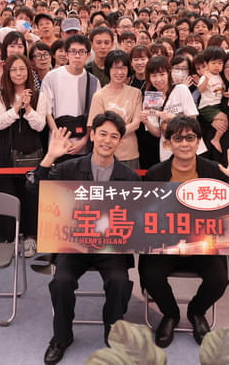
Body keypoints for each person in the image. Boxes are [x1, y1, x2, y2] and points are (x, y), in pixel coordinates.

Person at [32, 112, 139, 365]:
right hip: (73, 244)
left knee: (120, 281)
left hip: (110, 248)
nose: (107, 140)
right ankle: (61, 337)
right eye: (103, 134)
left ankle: (113, 335)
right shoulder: (68, 168)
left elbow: (137, 217)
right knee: (61, 281)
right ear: (92, 136)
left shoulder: (130, 177)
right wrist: (50, 157)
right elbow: (36, 190)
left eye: (114, 136)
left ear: (119, 141)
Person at [140, 115, 229, 348]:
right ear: (168, 143)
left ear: (198, 142)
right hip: (166, 245)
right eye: (178, 138)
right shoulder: (155, 174)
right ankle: (170, 314)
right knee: (150, 277)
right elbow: (145, 214)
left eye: (190, 138)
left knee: (219, 280)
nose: (184, 143)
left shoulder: (215, 171)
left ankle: (197, 312)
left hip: (204, 246)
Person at [0, 54, 45, 255]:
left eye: (22, 69)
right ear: (7, 73)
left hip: (32, 151)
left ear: (29, 71)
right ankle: (12, 237)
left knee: (31, 196)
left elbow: (40, 125)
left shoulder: (39, 95)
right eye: (14, 69)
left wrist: (28, 107)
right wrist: (17, 107)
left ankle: (31, 237)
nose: (18, 73)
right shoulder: (1, 95)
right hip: (7, 152)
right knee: (9, 193)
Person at [37, 34, 100, 160]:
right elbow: (47, 112)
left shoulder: (93, 81)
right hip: (57, 143)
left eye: (81, 52)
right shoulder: (52, 77)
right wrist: (62, 139)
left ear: (88, 55)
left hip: (83, 146)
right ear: (66, 54)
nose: (77, 56)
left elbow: (94, 115)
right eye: (73, 51)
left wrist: (84, 140)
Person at [140, 56, 206, 162]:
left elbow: (193, 120)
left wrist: (170, 117)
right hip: (168, 152)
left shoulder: (181, 89)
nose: (158, 79)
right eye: (154, 76)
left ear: (169, 73)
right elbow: (158, 133)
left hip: (190, 148)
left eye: (162, 74)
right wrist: (146, 121)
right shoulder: (150, 99)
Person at [87, 50, 142, 169]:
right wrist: (113, 137)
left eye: (123, 68)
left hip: (129, 153)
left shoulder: (136, 93)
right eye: (115, 68)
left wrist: (113, 135)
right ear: (108, 70)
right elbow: (95, 126)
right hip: (104, 153)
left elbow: (136, 124)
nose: (119, 72)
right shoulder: (99, 95)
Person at [197, 47, 228, 152]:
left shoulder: (219, 76)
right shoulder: (206, 76)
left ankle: (216, 139)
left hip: (215, 106)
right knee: (225, 118)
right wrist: (206, 78)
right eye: (213, 63)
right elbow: (200, 90)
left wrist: (224, 93)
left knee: (221, 122)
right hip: (207, 107)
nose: (217, 66)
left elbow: (218, 90)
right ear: (206, 64)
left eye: (220, 63)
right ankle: (215, 139)